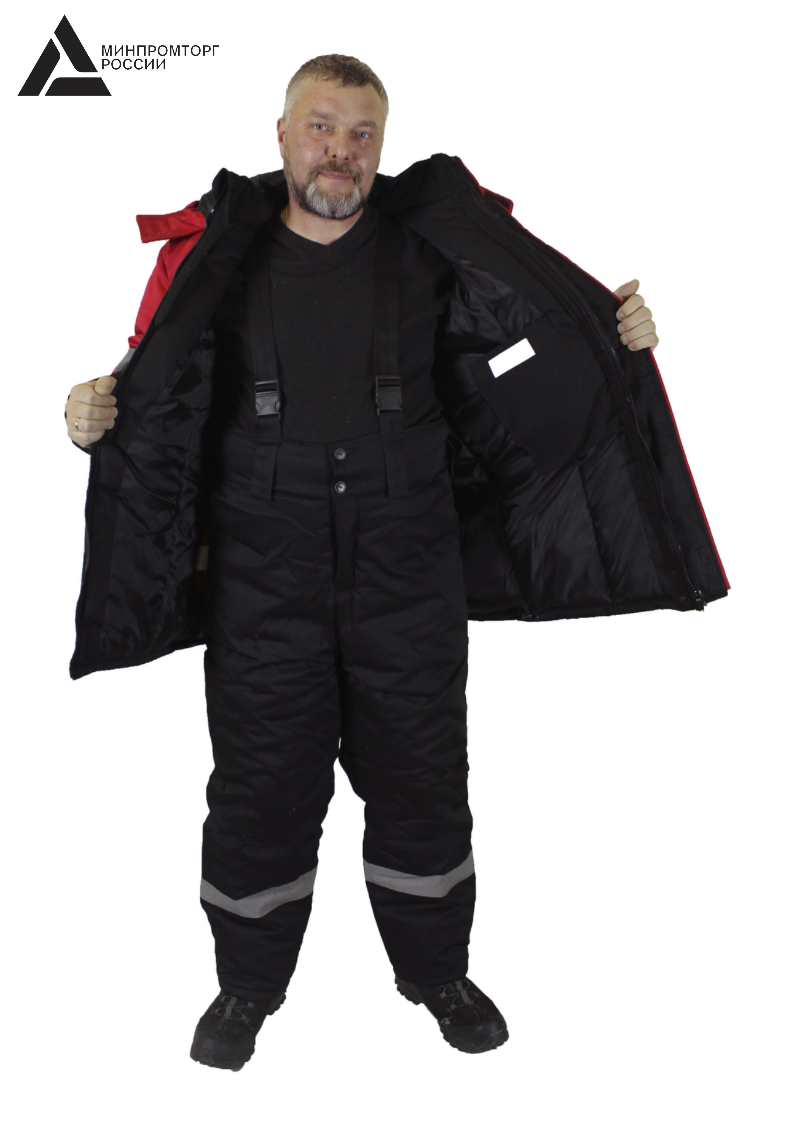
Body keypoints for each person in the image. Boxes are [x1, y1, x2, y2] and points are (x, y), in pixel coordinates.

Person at [64, 55, 726, 1072]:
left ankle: (437, 976)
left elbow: (531, 351)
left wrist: (616, 335)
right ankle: (246, 988)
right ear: (281, 134)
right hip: (263, 580)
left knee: (422, 787)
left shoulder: (433, 247)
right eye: (321, 127)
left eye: (361, 133)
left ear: (381, 145)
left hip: (407, 576)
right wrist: (86, 415)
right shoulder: (213, 258)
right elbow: (149, 381)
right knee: (260, 794)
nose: (340, 151)